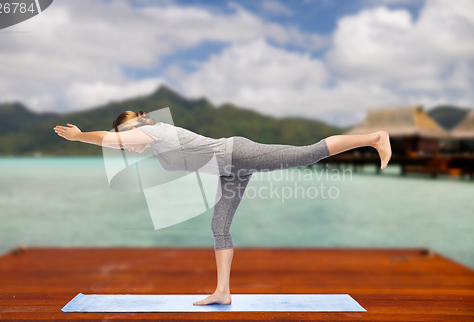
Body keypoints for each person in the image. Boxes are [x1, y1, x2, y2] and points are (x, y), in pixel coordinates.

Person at [54, 110, 392, 306]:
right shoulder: (155, 142)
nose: (127, 146)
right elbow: (122, 142)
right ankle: (223, 292)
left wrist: (80, 136)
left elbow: (112, 140)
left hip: (237, 154)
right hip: (229, 169)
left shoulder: (154, 132)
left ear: (132, 127)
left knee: (305, 155)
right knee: (219, 227)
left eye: (125, 136)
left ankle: (374, 138)